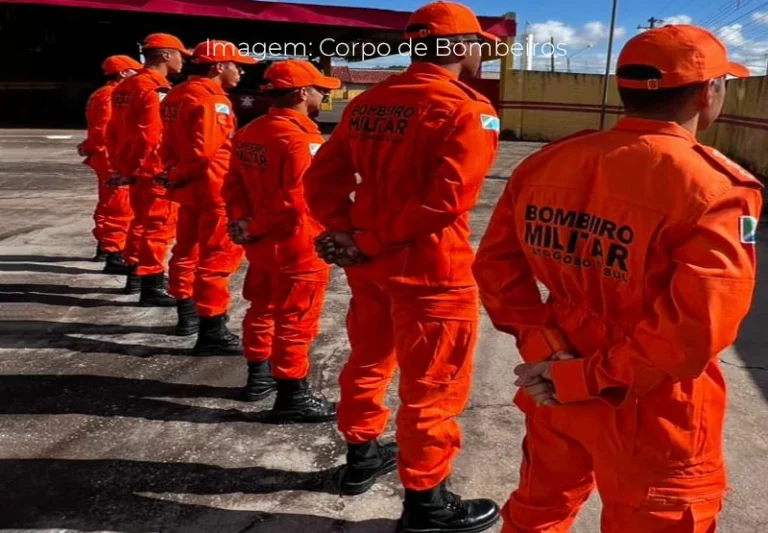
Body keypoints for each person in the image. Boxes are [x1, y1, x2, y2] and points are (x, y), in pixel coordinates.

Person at [473, 25, 763, 533]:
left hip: (559, 373)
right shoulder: (716, 189)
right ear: (707, 92)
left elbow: (498, 269)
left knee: (538, 510)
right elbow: (693, 333)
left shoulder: (548, 162)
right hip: (651, 402)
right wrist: (580, 377)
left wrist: (548, 354)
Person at [304, 2, 501, 531]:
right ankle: (426, 503)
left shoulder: (369, 101)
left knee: (369, 361)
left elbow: (320, 179)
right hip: (431, 272)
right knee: (432, 388)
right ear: (460, 47)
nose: (482, 51)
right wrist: (364, 237)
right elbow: (447, 201)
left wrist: (346, 233)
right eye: (479, 42)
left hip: (369, 268)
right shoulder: (466, 108)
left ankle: (362, 457)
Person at [222, 59, 338, 422]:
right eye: (320, 89)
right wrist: (253, 225)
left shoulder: (250, 132)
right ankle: (292, 396)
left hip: (261, 244)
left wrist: (243, 221)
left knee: (262, 308)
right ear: (303, 93)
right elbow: (296, 200)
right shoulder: (303, 139)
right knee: (295, 320)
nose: (323, 95)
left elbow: (233, 184)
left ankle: (259, 377)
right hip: (297, 244)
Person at [158, 40, 254, 354]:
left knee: (186, 250)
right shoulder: (212, 100)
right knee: (217, 259)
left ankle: (187, 315)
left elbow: (168, 145)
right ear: (218, 67)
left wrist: (174, 175)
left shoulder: (176, 95)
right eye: (236, 65)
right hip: (215, 189)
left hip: (189, 190)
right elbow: (205, 152)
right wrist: (180, 174)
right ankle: (212, 329)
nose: (240, 71)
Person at [108, 33, 189, 302]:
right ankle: (151, 285)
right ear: (166, 55)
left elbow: (115, 130)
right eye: (180, 55)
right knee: (157, 227)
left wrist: (124, 166)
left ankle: (136, 275)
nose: (183, 61)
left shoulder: (126, 87)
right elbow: (153, 135)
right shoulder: (154, 88)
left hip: (133, 167)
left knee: (140, 224)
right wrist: (160, 169)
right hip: (152, 169)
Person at [78, 54, 141, 271]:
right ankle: (114, 253)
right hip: (111, 157)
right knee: (118, 205)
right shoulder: (112, 95)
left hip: (107, 155)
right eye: (135, 71)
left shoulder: (103, 94)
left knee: (110, 203)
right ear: (123, 73)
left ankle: (106, 248)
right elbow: (103, 130)